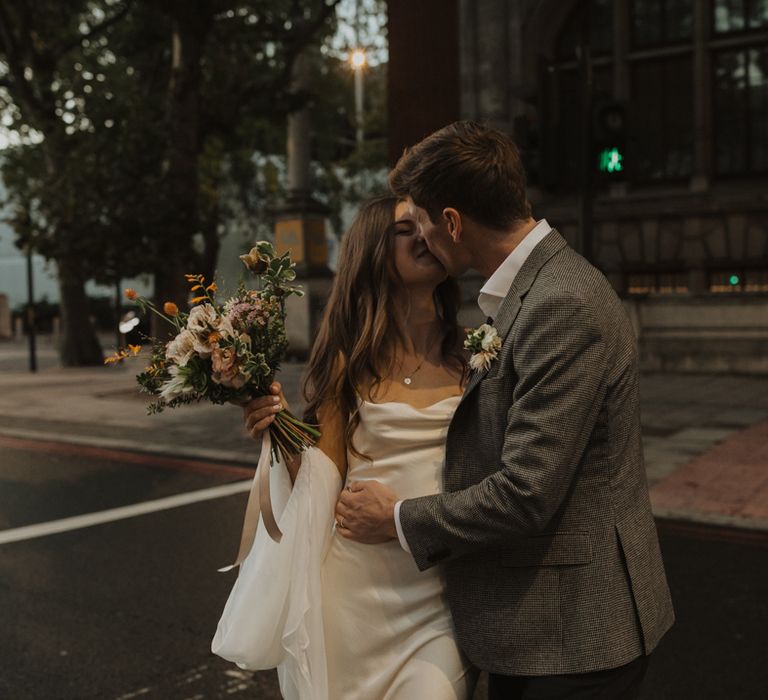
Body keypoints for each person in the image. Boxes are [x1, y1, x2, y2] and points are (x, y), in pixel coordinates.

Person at [334, 121, 675, 700]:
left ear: (452, 223)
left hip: (572, 641)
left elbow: (525, 494)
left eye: (419, 225)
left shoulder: (559, 301)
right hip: (540, 630)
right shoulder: (529, 291)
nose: (422, 243)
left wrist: (396, 518)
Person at [214, 195, 477, 700]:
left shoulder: (475, 353)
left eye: (426, 222)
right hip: (353, 602)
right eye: (406, 228)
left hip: (439, 599)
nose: (425, 233)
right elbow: (324, 474)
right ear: (374, 250)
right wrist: (279, 426)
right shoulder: (347, 360)